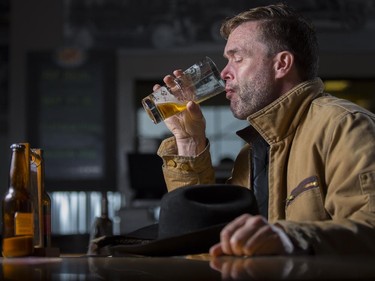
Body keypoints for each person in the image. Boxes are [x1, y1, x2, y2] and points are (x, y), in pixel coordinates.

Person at [153, 3, 375, 256]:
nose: (224, 72)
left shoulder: (345, 126)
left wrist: (288, 238)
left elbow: (370, 229)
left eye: (237, 58)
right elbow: (205, 246)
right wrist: (189, 141)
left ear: (281, 64)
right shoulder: (252, 153)